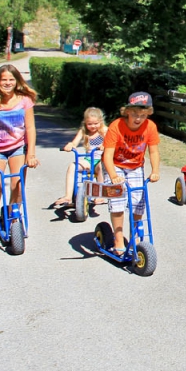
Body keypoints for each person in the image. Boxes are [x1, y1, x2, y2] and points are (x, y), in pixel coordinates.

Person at [0, 64, 38, 249]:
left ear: (17, 81)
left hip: (17, 148)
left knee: (17, 186)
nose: (8, 83)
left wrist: (31, 154)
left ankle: (13, 218)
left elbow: (30, 128)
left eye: (11, 79)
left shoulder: (25, 101)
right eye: (4, 80)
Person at [102, 92, 161, 255]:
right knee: (117, 200)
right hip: (115, 165)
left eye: (143, 115)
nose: (138, 118)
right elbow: (107, 155)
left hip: (135, 166)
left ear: (148, 113)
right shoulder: (116, 126)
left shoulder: (150, 127)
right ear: (127, 111)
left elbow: (153, 152)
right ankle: (118, 240)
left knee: (138, 203)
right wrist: (113, 176)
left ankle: (134, 238)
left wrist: (155, 171)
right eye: (135, 114)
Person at [53, 107, 105, 209]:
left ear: (100, 121)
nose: (93, 126)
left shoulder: (104, 130)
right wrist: (70, 145)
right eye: (89, 124)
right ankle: (68, 196)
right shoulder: (83, 131)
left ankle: (99, 195)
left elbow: (111, 140)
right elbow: (74, 142)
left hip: (101, 160)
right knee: (72, 166)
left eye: (96, 123)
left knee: (100, 166)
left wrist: (105, 145)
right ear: (85, 123)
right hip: (89, 160)